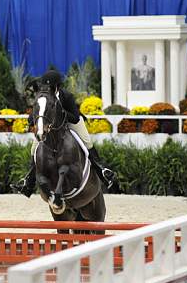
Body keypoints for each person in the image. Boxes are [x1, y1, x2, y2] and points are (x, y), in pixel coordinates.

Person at [11, 69, 116, 198]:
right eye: (45, 86)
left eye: (49, 87)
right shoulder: (42, 97)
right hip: (49, 126)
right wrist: (33, 120)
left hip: (71, 121)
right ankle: (28, 181)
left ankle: (102, 171)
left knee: (86, 142)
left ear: (57, 87)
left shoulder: (67, 96)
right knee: (34, 148)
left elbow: (75, 117)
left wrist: (60, 115)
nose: (46, 89)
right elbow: (36, 113)